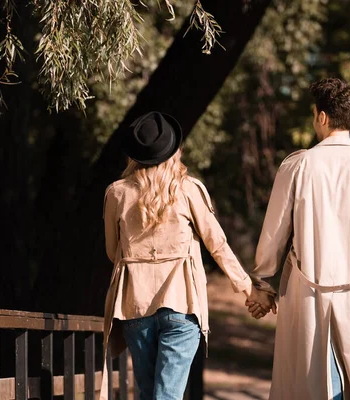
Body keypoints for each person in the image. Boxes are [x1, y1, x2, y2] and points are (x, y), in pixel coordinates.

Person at [246, 78, 350, 399]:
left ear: (322, 117)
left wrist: (263, 289)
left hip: (306, 293)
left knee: (312, 383)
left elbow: (273, 236)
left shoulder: (296, 166)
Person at [100, 111, 270, 400]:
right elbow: (218, 245)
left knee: (148, 393)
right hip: (182, 303)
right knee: (167, 396)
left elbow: (112, 252)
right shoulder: (189, 190)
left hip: (135, 306)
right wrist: (248, 289)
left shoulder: (117, 194)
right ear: (174, 151)